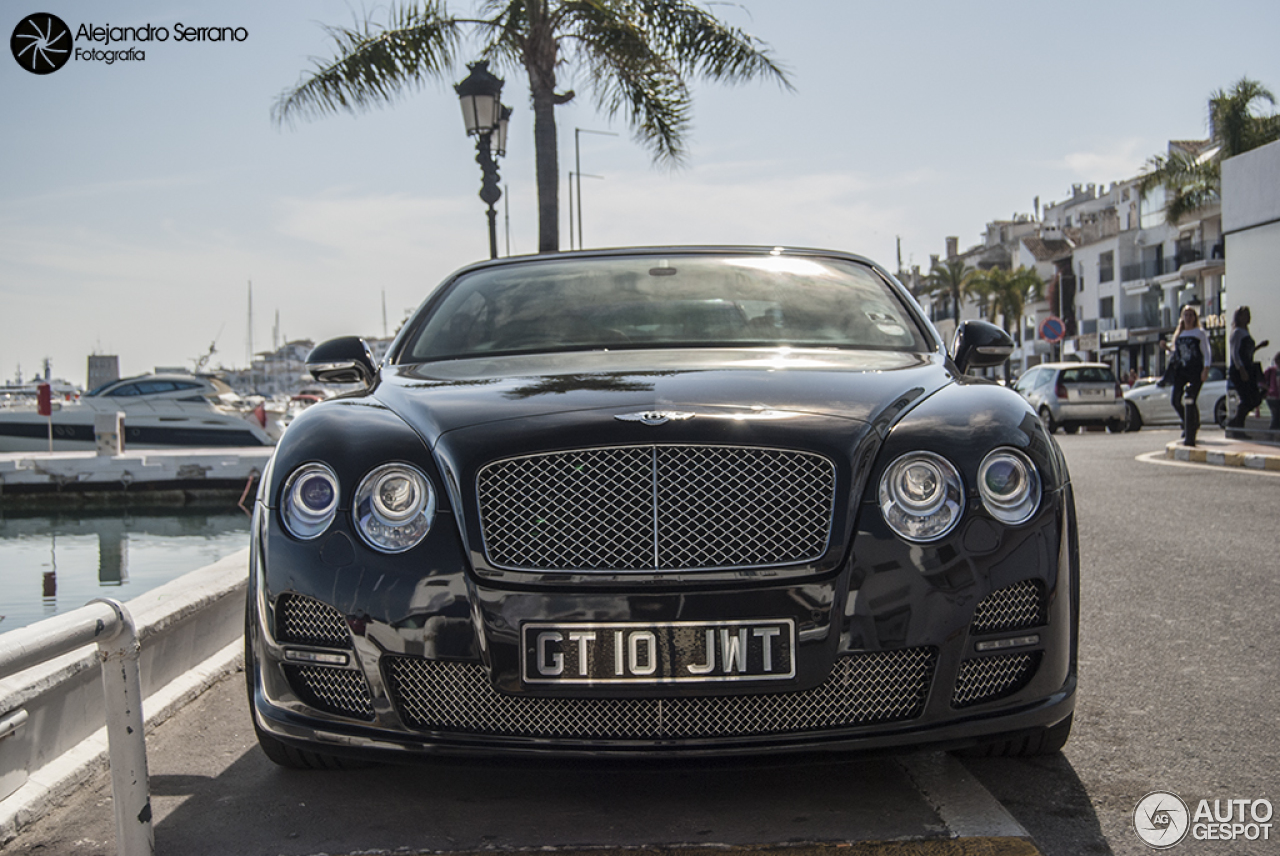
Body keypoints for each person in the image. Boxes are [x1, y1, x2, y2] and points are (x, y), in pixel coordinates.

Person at [1167, 306, 1212, 446]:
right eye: (1186, 315)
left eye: (1191, 315)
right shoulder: (1179, 334)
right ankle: (1188, 421)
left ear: (1195, 317)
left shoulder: (1200, 333)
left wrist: (1205, 369)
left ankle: (1191, 428)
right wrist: (1167, 348)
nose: (1188, 317)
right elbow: (1174, 353)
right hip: (1181, 371)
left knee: (1191, 397)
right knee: (1175, 400)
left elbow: (1207, 352)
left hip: (1195, 370)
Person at [1227, 306, 1265, 427]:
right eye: (1245, 315)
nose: (1249, 317)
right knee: (1247, 398)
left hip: (1248, 367)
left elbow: (1248, 352)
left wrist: (1258, 347)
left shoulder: (1245, 332)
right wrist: (1241, 369)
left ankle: (1237, 421)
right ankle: (1237, 422)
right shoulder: (1237, 332)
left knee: (1255, 398)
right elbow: (1235, 353)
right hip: (1240, 370)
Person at [1264, 351, 1280, 431]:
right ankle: (1271, 433)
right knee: (1276, 415)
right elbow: (1261, 382)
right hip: (1272, 397)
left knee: (1277, 416)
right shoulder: (1271, 371)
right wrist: (1269, 389)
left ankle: (1274, 433)